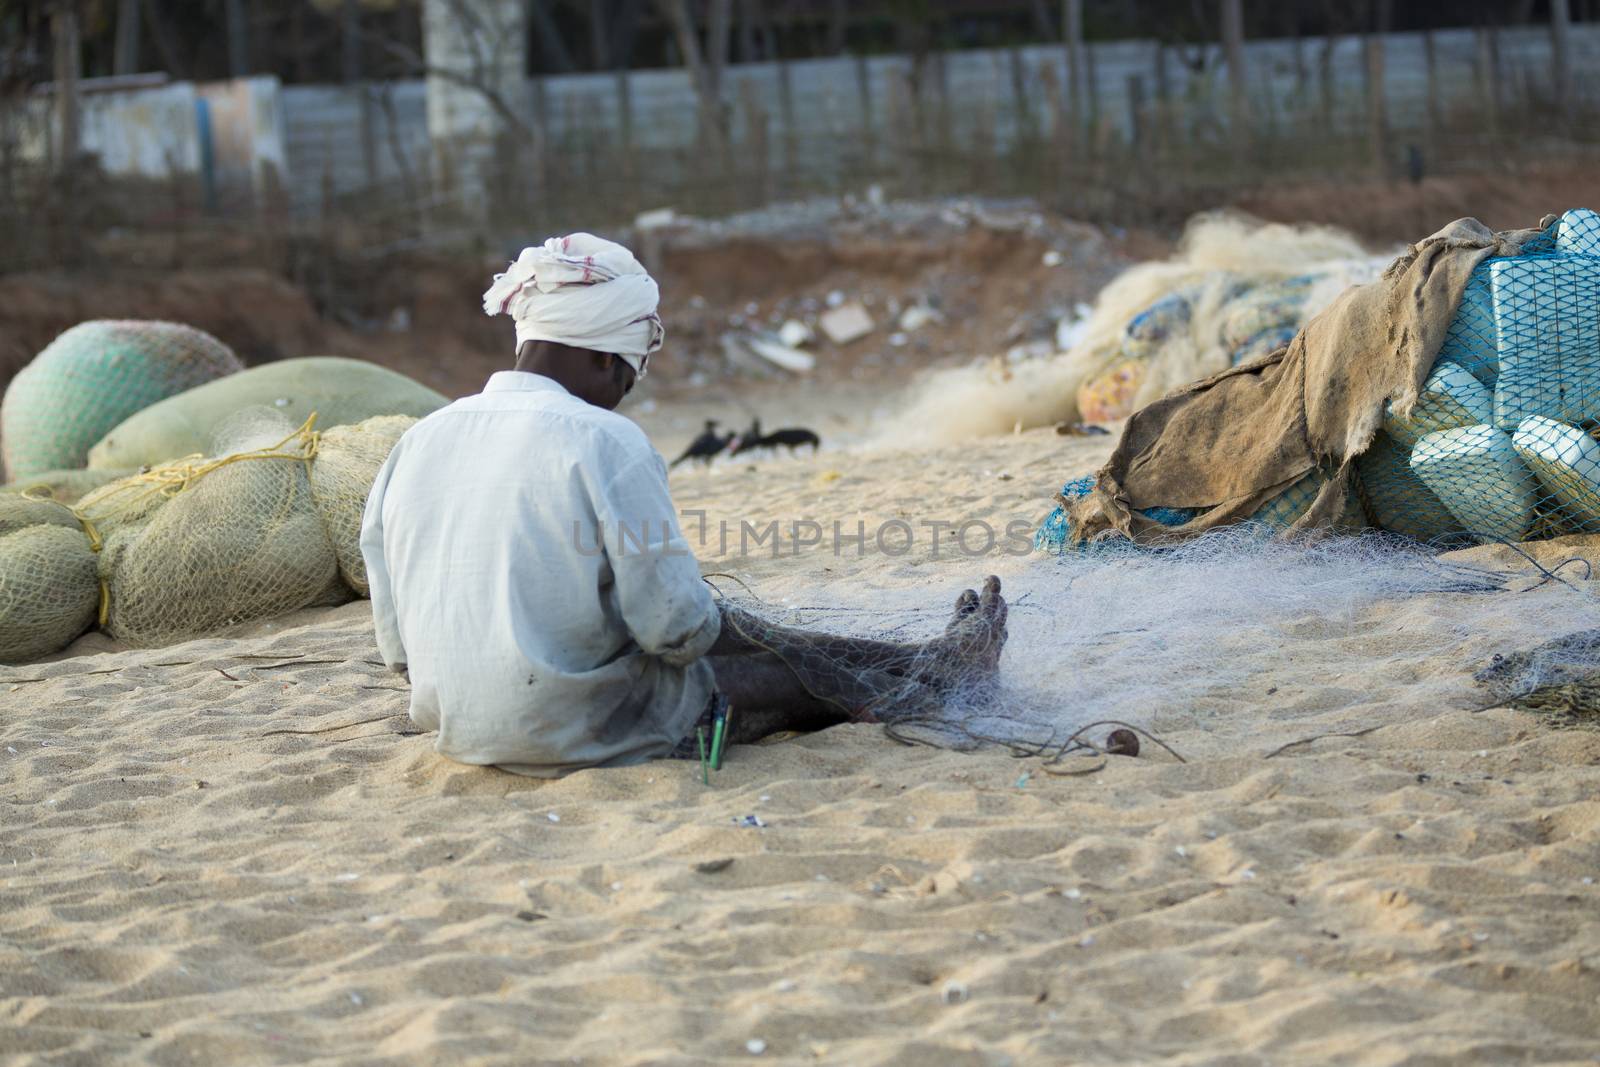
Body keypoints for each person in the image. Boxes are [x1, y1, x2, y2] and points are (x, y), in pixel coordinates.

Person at [360, 233, 1008, 777]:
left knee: (770, 645)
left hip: (456, 725)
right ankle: (945, 674)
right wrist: (783, 646)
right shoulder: (605, 441)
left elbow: (398, 650)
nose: (624, 391)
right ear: (601, 356)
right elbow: (677, 632)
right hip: (575, 730)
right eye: (627, 374)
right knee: (795, 672)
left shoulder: (417, 440)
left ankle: (930, 655)